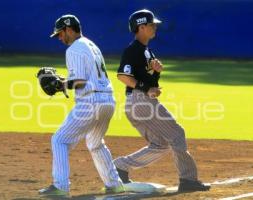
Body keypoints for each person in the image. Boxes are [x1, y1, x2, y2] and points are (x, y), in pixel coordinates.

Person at [113, 9, 210, 192]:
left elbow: (148, 83)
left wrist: (156, 74)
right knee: (177, 134)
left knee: (161, 144)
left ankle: (120, 166)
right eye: (151, 24)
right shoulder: (133, 50)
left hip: (139, 102)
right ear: (141, 27)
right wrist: (146, 88)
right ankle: (188, 180)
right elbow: (123, 76)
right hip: (140, 102)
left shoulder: (146, 51)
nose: (154, 27)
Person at [39, 14, 124, 197]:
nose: (59, 38)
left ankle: (61, 186)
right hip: (108, 101)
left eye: (60, 34)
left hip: (90, 102)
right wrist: (64, 81)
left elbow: (80, 81)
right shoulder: (91, 45)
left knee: (59, 140)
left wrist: (61, 84)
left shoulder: (74, 49)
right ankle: (114, 184)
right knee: (95, 142)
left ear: (69, 29)